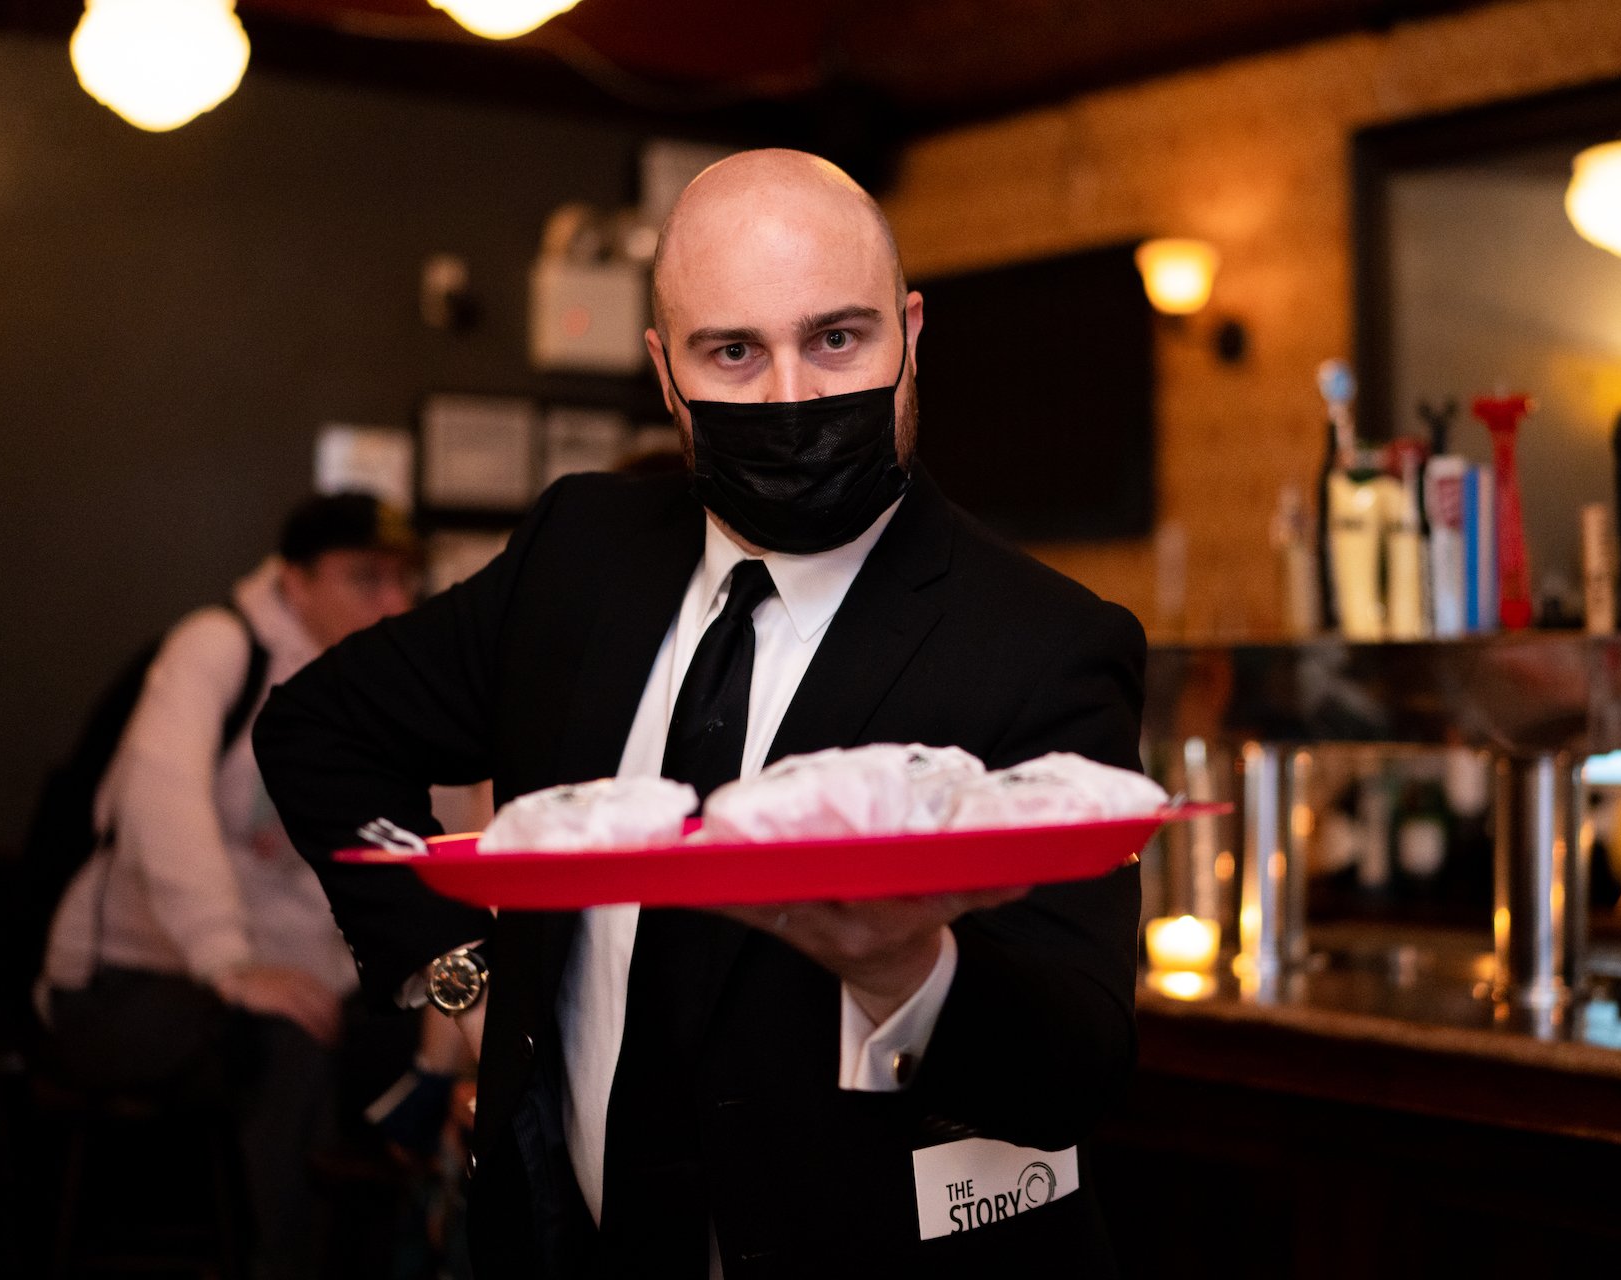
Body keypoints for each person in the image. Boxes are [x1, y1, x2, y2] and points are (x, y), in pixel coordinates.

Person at [254, 150, 1146, 1278]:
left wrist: (910, 968)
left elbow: (1078, 1065)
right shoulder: (582, 554)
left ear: (911, 333)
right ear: (666, 372)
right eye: (734, 351)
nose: (789, 397)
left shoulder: (1041, 640)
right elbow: (320, 730)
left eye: (837, 339)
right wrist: (458, 973)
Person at [38, 492, 422, 1280]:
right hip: (121, 985)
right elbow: (159, 803)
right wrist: (229, 964)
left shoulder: (372, 684)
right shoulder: (220, 644)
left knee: (413, 1045)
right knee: (290, 1047)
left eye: (403, 580)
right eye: (366, 578)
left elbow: (415, 831)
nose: (394, 601)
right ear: (294, 581)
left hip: (277, 981)